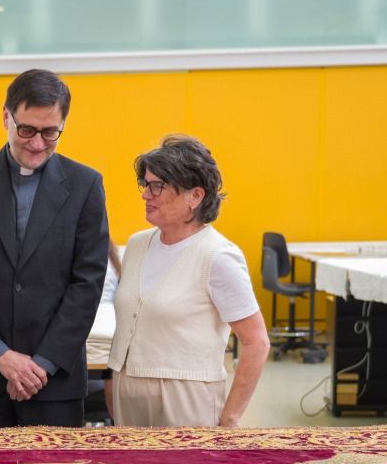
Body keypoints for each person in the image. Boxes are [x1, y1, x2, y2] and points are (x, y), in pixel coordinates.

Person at [0, 68, 110, 428]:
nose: (37, 143)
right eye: (26, 129)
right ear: (5, 117)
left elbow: (87, 284)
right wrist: (0, 356)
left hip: (55, 382)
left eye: (50, 132)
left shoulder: (85, 185)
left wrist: (41, 364)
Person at [107, 135, 270, 427]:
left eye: (158, 186)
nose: (146, 194)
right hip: (127, 393)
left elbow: (256, 342)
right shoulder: (136, 245)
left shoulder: (217, 256)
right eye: (145, 184)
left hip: (186, 398)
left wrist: (230, 418)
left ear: (195, 196)